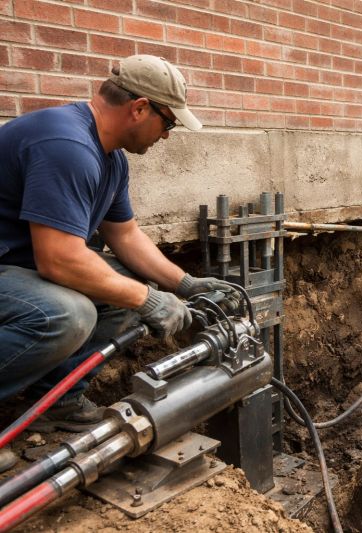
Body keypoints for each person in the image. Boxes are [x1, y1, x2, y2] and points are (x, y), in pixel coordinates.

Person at [0, 55, 235, 471]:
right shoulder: (67, 147)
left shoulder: (110, 158)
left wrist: (184, 284)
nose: (166, 136)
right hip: (14, 267)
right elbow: (57, 261)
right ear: (140, 108)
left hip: (17, 265)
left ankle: (55, 398)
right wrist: (147, 299)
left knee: (121, 282)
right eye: (169, 123)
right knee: (67, 315)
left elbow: (124, 235)